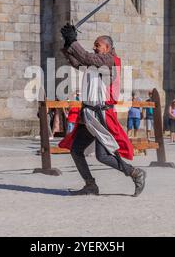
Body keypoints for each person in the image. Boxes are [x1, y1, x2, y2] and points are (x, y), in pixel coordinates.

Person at [58, 23, 146, 197]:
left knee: (102, 156)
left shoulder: (109, 61)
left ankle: (135, 173)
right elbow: (78, 62)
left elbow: (87, 58)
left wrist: (73, 41)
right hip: (89, 114)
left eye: (97, 45)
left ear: (107, 48)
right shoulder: (96, 63)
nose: (94, 47)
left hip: (101, 116)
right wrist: (68, 44)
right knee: (76, 150)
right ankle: (90, 185)